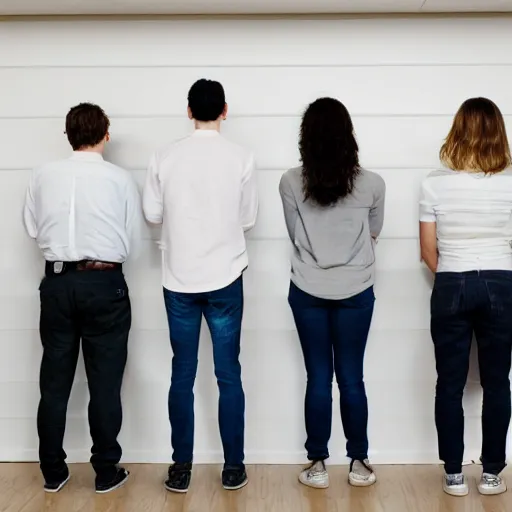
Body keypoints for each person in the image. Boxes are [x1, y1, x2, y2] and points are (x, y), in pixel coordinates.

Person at [143, 79, 258, 493]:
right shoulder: (242, 157)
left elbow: (152, 215)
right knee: (229, 374)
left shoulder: (164, 156)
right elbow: (247, 220)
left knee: (182, 375)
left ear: (188, 111)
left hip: (178, 278)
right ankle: (233, 468)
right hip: (226, 276)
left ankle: (181, 469)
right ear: (224, 111)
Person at [23, 103, 142, 494]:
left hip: (56, 284)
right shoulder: (120, 179)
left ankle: (53, 472)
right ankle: (106, 470)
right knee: (104, 384)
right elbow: (131, 241)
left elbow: (32, 226)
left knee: (54, 383)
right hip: (105, 284)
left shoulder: (43, 175)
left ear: (68, 135)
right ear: (105, 135)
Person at [279, 97, 385, 489]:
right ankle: (359, 462)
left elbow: (294, 233)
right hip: (357, 289)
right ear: (348, 136)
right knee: (352, 377)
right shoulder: (373, 184)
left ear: (306, 138)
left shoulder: (290, 182)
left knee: (318, 377)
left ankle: (318, 464)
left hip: (307, 288)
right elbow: (374, 232)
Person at [419, 97, 512, 497]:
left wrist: (457, 278)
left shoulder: (433, 182)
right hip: (502, 282)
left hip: (452, 281)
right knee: (497, 383)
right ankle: (491, 473)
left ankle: (454, 474)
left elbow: (427, 251)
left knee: (449, 383)